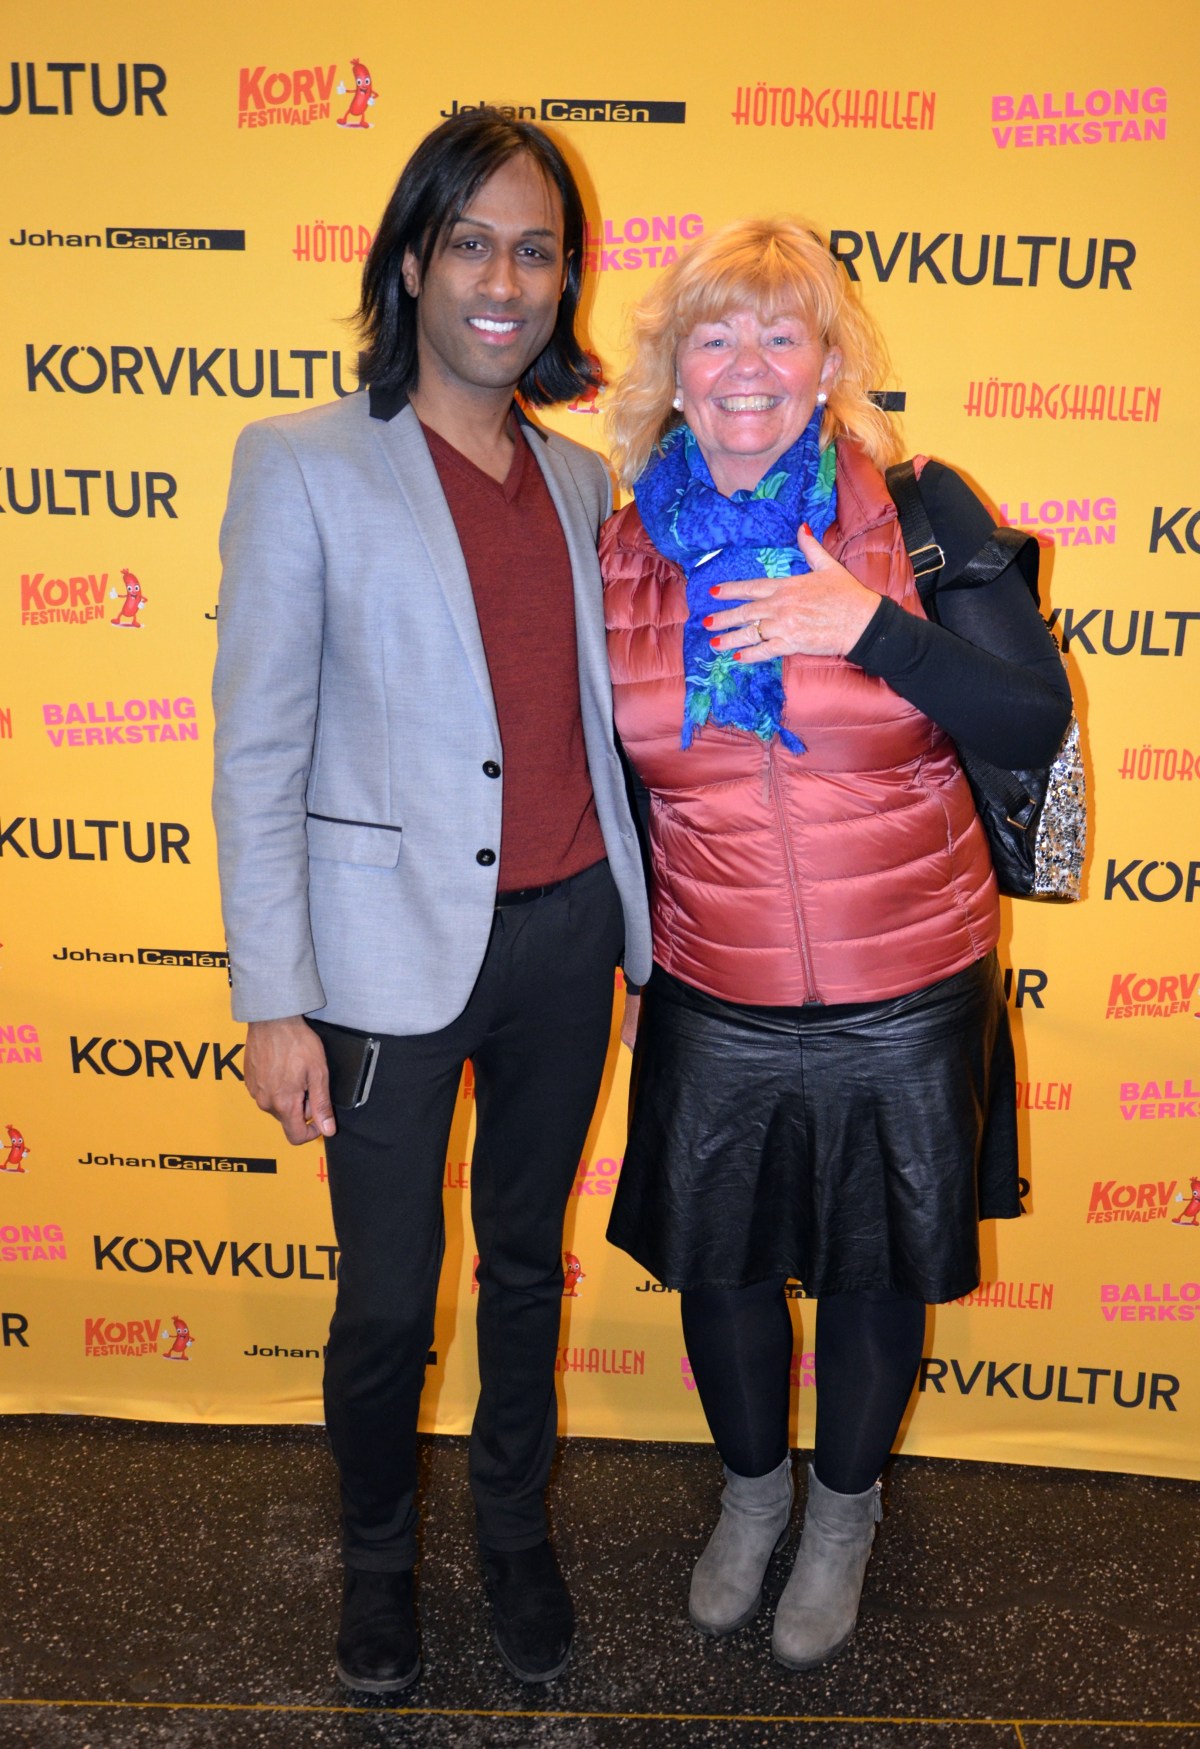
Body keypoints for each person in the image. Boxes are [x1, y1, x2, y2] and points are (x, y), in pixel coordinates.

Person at [212, 110, 651, 1695]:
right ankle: (380, 1559)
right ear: (411, 264)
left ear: (563, 281)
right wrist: (273, 995)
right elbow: (257, 744)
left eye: (536, 251)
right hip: (378, 957)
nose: (504, 281)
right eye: (471, 243)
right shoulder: (303, 463)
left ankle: (515, 1534)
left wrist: (648, 931)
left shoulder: (586, 481)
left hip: (569, 937)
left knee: (526, 1265)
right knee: (389, 1298)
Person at [600, 218, 1072, 1670]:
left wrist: (868, 625)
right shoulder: (617, 549)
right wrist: (625, 960)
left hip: (905, 987)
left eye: (780, 333)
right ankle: (753, 1497)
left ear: (825, 368)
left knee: (871, 1272)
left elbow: (1031, 716)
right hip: (713, 983)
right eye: (715, 336)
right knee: (722, 1274)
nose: (746, 364)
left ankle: (845, 1515)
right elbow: (605, 778)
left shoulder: (919, 514)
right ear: (674, 373)